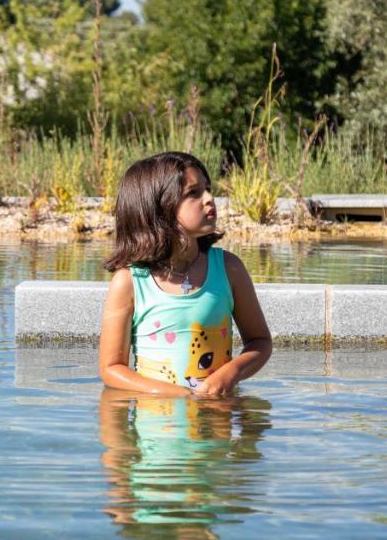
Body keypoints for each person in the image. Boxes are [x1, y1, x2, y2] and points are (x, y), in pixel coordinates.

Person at [98, 151, 272, 397]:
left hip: (217, 422)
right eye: (194, 193)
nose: (210, 199)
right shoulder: (129, 282)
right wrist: (174, 393)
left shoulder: (229, 269)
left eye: (208, 189)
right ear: (159, 209)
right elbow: (111, 368)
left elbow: (260, 342)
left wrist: (232, 372)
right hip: (155, 429)